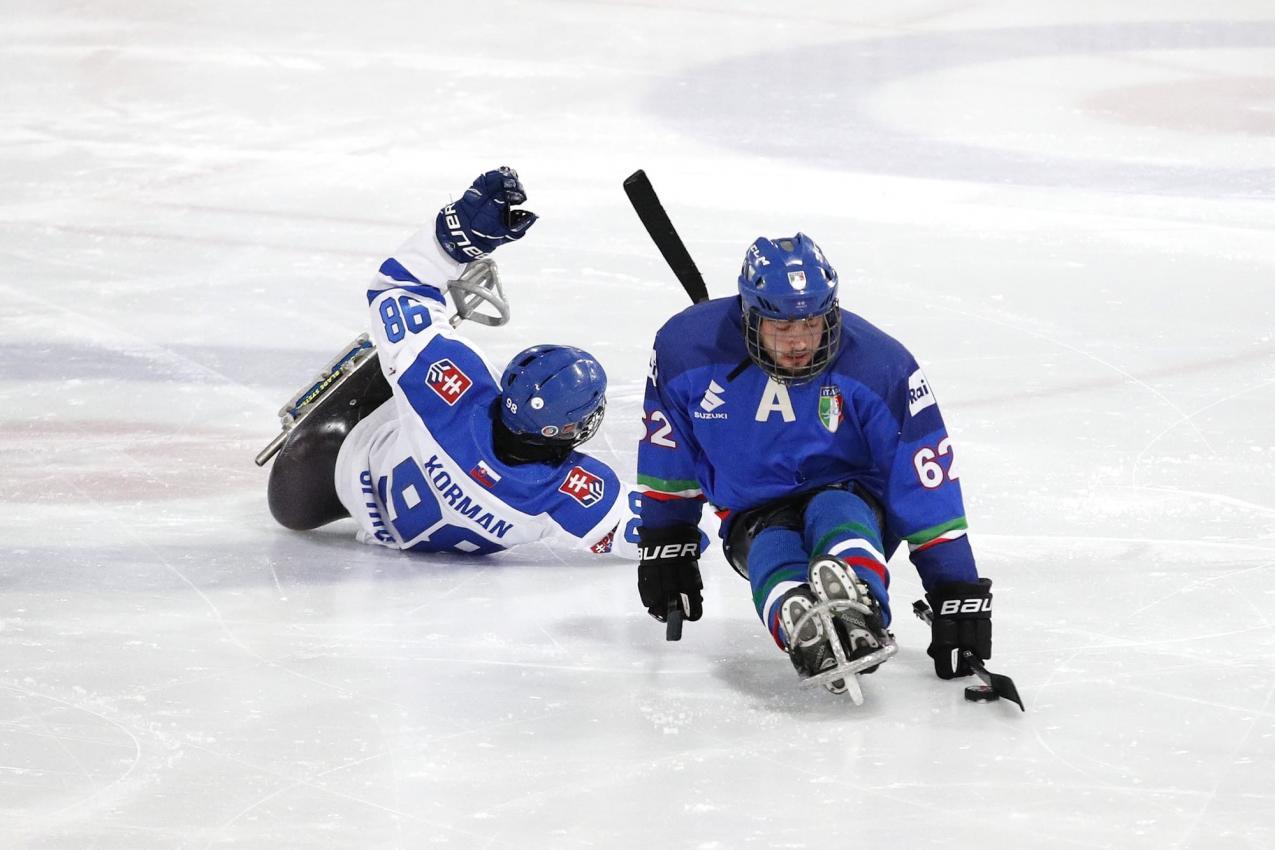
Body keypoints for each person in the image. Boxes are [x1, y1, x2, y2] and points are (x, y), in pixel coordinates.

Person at [635, 233, 994, 697]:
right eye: (781, 327)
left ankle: (860, 608)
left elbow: (924, 480)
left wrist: (955, 591)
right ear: (750, 316)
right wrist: (668, 539)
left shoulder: (880, 364)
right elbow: (670, 451)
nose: (800, 341)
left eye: (812, 322)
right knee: (769, 549)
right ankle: (799, 625)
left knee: (836, 512)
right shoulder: (685, 350)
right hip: (752, 512)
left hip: (854, 495)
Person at [264, 167, 643, 558]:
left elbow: (395, 288)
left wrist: (456, 238)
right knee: (409, 363)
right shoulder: (569, 492)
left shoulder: (451, 387)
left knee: (405, 354)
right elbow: (664, 533)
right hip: (365, 516)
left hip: (316, 472)